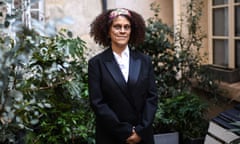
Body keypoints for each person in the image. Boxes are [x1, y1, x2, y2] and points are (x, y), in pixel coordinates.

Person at [88, 8, 158, 144]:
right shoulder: (96, 64)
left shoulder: (144, 61)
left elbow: (152, 98)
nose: (122, 31)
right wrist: (125, 131)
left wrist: (140, 131)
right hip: (111, 136)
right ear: (108, 31)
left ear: (132, 31)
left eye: (127, 27)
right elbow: (98, 103)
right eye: (117, 26)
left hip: (142, 136)